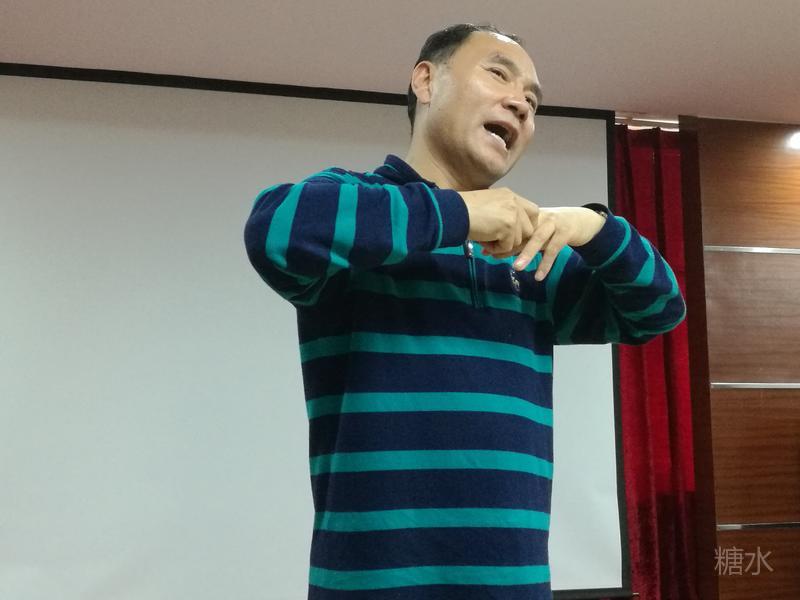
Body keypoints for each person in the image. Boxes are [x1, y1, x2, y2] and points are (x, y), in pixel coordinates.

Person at [244, 22, 685, 600]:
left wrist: (595, 227)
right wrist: (462, 214)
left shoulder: (530, 258)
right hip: (371, 587)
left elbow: (658, 309)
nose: (520, 104)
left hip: (514, 586)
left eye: (532, 102)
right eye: (498, 74)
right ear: (426, 81)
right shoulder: (358, 205)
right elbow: (276, 229)